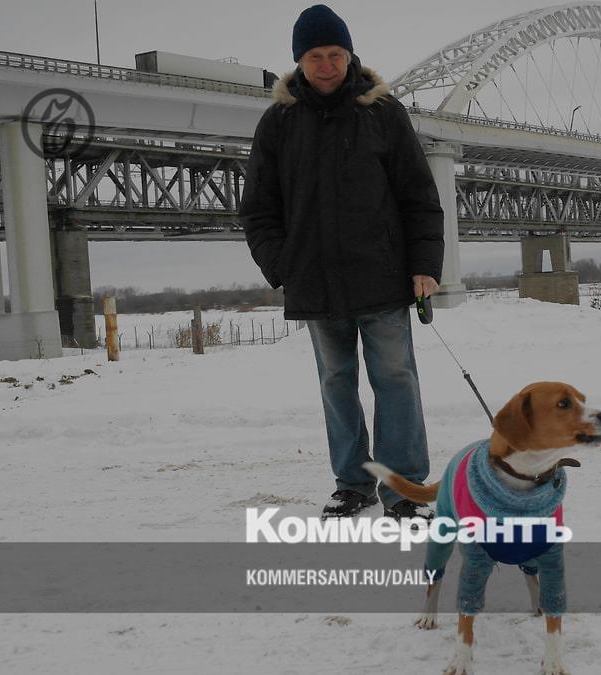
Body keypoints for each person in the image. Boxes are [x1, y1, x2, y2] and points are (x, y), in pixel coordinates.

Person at [240, 4, 444, 521]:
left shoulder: (384, 113)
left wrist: (425, 264)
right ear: (299, 61)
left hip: (382, 275)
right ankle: (353, 483)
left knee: (395, 378)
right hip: (314, 280)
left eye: (335, 54)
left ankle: (403, 488)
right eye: (315, 56)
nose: (327, 65)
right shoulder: (278, 122)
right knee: (336, 381)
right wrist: (282, 265)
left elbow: (419, 196)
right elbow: (259, 207)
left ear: (350, 55)